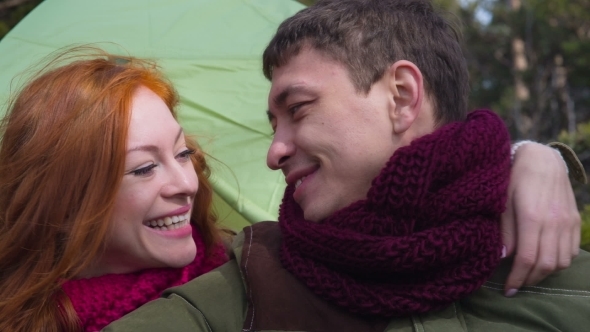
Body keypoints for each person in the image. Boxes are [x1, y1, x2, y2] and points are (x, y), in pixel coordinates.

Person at [103, 0, 589, 331]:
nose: (274, 152)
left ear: (401, 96)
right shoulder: (250, 283)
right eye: (274, 124)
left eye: (298, 109)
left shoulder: (570, 287)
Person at [0, 48, 230, 332]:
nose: (186, 184)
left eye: (183, 153)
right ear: (65, 201)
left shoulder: (249, 274)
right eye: (144, 168)